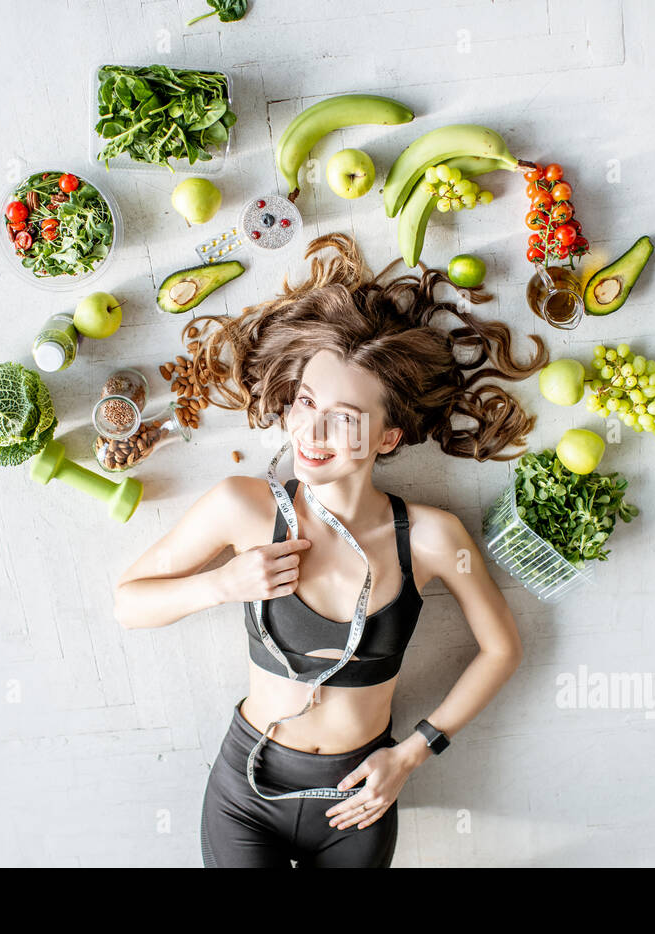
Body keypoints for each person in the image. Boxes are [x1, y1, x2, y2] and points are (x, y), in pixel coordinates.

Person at [113, 232, 547, 867]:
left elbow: (502, 648)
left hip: (357, 800)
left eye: (345, 417)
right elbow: (128, 604)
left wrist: (412, 754)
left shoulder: (430, 537)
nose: (313, 434)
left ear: (389, 436)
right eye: (307, 404)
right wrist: (222, 585)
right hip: (246, 790)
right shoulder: (244, 507)